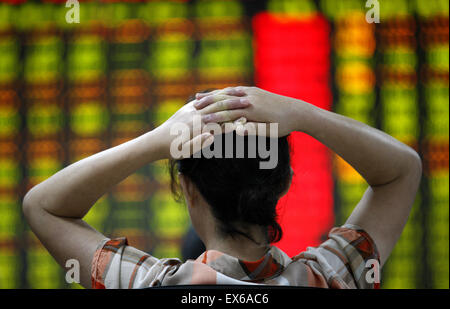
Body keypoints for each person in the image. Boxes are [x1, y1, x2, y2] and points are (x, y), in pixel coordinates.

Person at [22, 86, 422, 289]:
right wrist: (301, 114)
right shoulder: (328, 277)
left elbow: (43, 206)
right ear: (282, 181)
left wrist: (158, 141)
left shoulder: (150, 284)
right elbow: (402, 170)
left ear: (187, 189)